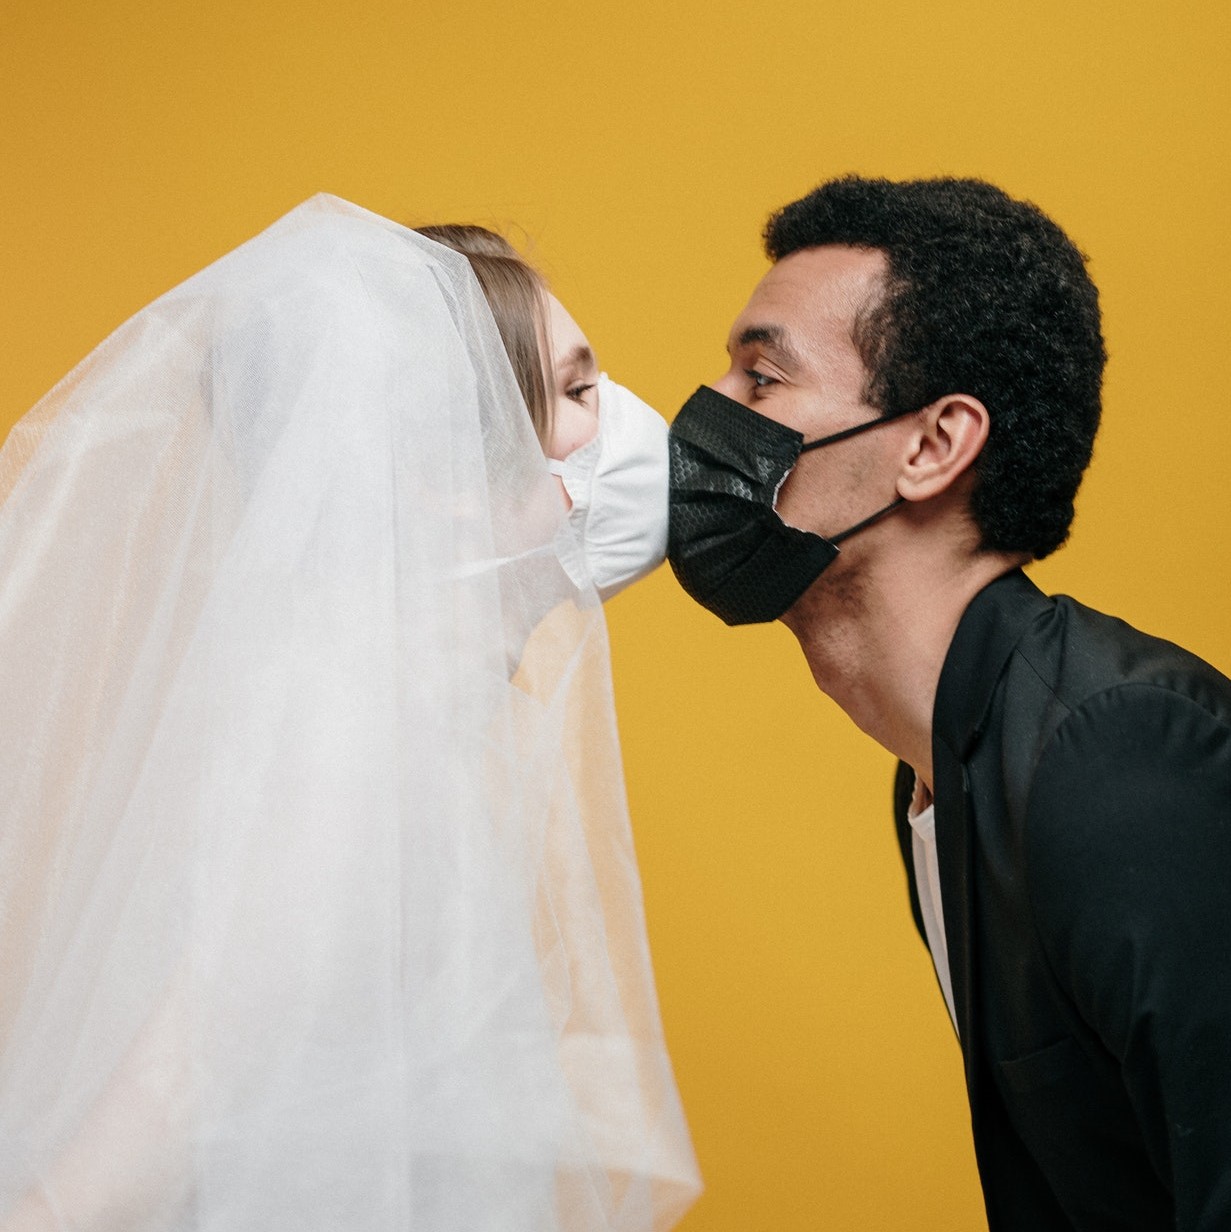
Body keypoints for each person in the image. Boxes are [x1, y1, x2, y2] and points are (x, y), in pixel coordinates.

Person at [0, 195, 700, 1231]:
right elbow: (188, 1071)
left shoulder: (416, 719)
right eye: (576, 389)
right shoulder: (357, 740)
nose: (628, 421)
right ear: (441, 476)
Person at [667, 174, 1231, 1230]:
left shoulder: (1118, 751)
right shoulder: (937, 770)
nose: (702, 420)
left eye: (760, 377)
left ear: (931, 445)